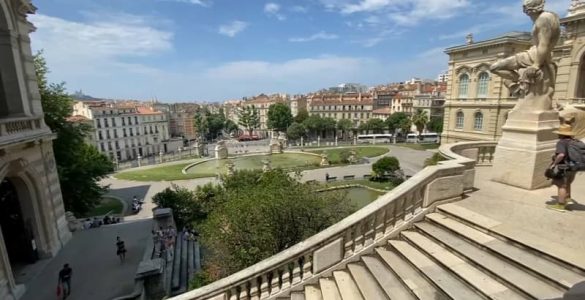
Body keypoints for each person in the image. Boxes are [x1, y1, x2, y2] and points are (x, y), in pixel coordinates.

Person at [490, 0, 560, 97]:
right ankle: (521, 82)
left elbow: (544, 44)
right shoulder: (548, 17)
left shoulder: (543, 18)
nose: (527, 13)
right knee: (496, 68)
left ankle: (517, 87)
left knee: (494, 67)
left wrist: (536, 65)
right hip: (535, 53)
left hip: (534, 55)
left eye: (527, 9)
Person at [547, 124, 578, 212]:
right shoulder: (574, 141)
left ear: (561, 134)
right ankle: (568, 199)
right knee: (567, 183)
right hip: (574, 166)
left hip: (564, 167)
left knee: (561, 186)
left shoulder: (562, 142)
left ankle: (560, 205)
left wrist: (554, 163)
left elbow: (561, 154)